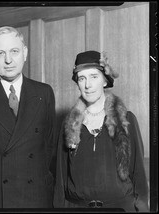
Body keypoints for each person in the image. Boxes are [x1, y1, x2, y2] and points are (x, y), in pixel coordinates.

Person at [0, 26, 56, 208]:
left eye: (14, 51)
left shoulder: (44, 92)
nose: (8, 60)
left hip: (36, 197)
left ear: (25, 53)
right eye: (0, 53)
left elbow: (50, 147)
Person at [53, 50, 149, 211]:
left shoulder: (126, 120)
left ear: (105, 81)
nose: (88, 85)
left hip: (121, 208)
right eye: (82, 78)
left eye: (94, 77)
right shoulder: (69, 124)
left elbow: (138, 173)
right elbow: (61, 179)